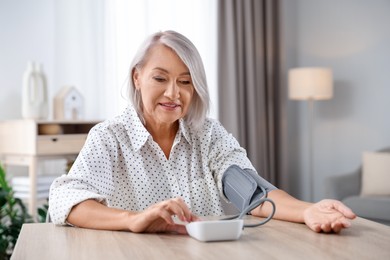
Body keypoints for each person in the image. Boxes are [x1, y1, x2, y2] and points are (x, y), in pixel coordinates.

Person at [49, 30, 356, 234]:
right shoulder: (109, 137)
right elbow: (68, 200)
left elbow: (253, 194)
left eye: (185, 81)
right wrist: (134, 220)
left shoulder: (207, 134)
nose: (173, 93)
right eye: (160, 78)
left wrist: (308, 211)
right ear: (137, 77)